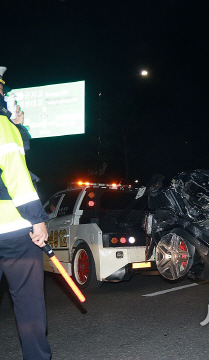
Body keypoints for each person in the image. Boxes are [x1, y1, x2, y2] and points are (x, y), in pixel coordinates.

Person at [0, 66, 52, 359]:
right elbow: (16, 175)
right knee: (28, 302)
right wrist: (37, 220)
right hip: (13, 231)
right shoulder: (1, 125)